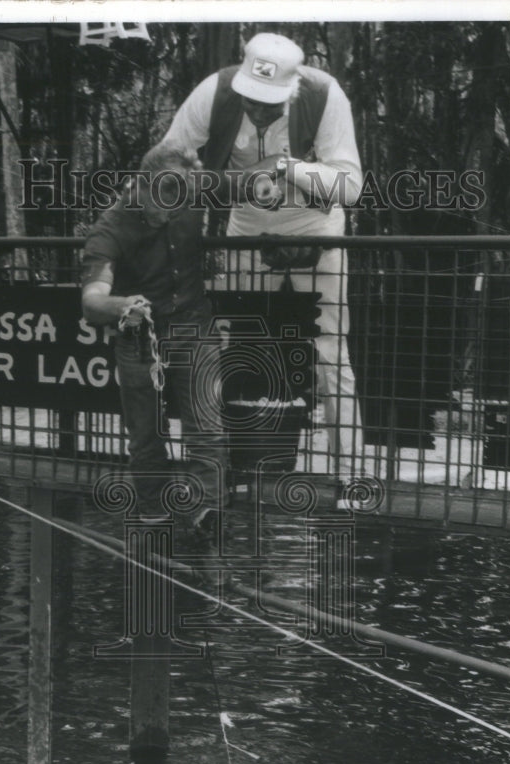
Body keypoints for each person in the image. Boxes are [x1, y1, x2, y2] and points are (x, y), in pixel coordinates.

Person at [162, 32, 367, 511]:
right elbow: (165, 171)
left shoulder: (323, 91)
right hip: (247, 226)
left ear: (293, 89)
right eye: (251, 102)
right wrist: (239, 182)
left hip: (316, 226)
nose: (258, 112)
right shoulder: (211, 93)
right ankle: (226, 466)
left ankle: (353, 475)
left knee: (331, 353)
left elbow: (351, 186)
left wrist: (287, 168)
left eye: (271, 105)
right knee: (235, 347)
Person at [81, 142, 227, 535]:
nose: (171, 209)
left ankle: (206, 520)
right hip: (139, 335)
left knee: (208, 429)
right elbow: (91, 301)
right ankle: (153, 522)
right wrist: (121, 305)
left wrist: (276, 180)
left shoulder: (190, 188)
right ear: (141, 185)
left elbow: (245, 184)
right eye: (163, 198)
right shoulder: (110, 227)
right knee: (145, 436)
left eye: (181, 198)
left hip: (195, 327)